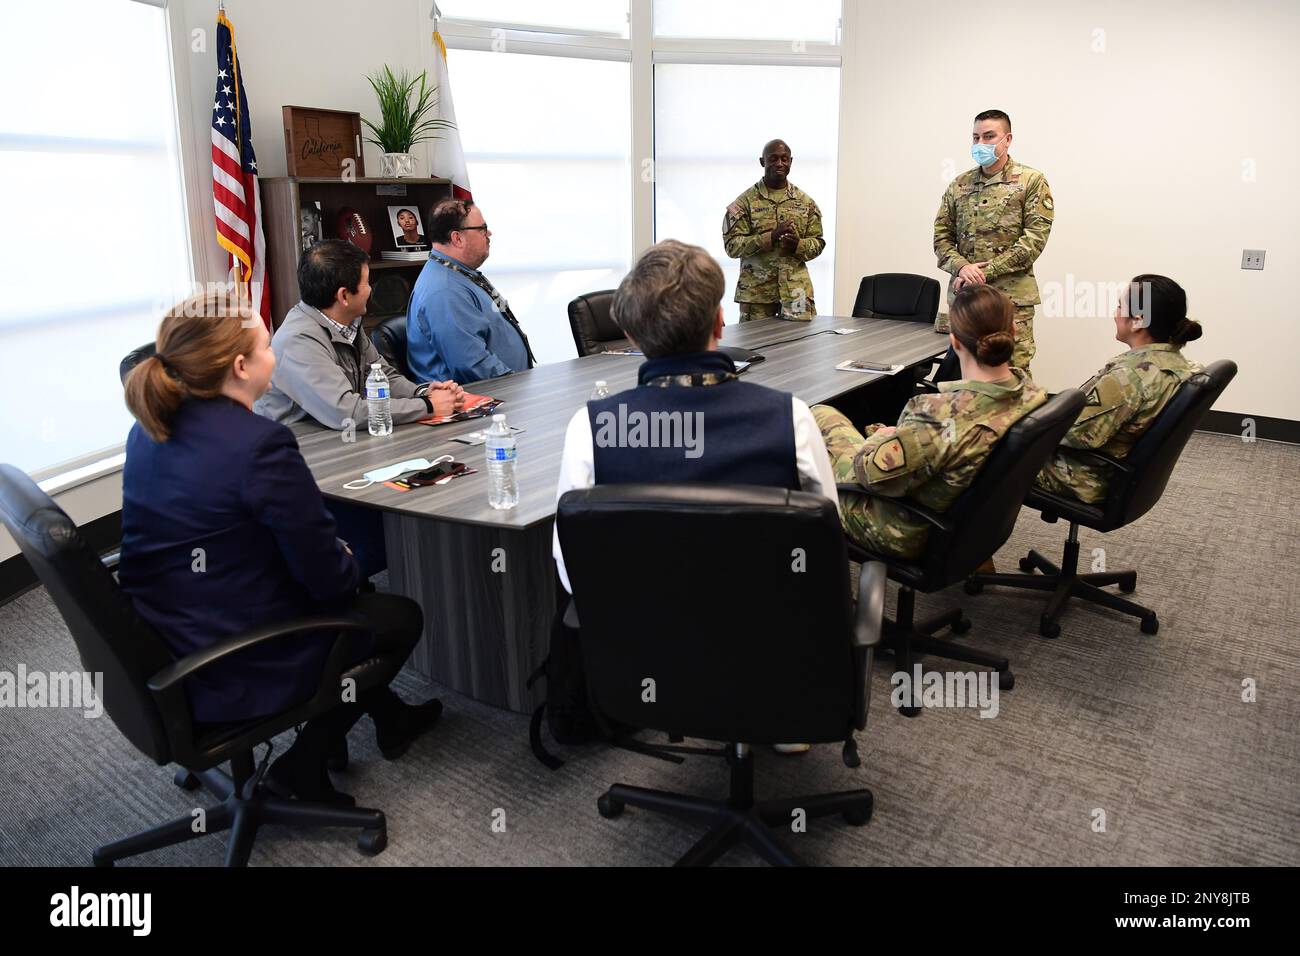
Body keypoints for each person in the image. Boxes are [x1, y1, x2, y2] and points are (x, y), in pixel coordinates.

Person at [119, 291, 443, 805]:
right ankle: (301, 769)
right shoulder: (258, 444)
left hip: (164, 634)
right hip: (231, 658)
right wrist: (345, 555)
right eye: (268, 346)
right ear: (242, 366)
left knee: (346, 583)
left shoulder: (150, 427)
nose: (277, 355)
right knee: (395, 616)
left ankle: (390, 716)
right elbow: (329, 582)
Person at [553, 240, 837, 754]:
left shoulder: (590, 430)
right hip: (774, 652)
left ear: (634, 339)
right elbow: (827, 552)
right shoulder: (790, 420)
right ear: (720, 321)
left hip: (650, 653)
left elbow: (574, 571)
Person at [255, 239, 464, 578]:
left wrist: (425, 390)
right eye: (366, 282)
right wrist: (426, 406)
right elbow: (346, 411)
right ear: (343, 295)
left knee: (422, 500)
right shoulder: (298, 340)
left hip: (348, 454)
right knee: (387, 536)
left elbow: (383, 375)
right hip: (307, 479)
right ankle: (341, 592)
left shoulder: (346, 324)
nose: (371, 289)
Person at [813, 285, 1047, 560]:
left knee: (816, 416)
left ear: (955, 341)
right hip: (964, 524)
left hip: (900, 527)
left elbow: (870, 475)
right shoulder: (1032, 394)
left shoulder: (936, 415)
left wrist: (881, 436)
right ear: (1015, 332)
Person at [1035, 275, 1203, 503]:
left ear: (1138, 320)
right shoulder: (1181, 365)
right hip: (1116, 470)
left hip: (1084, 476)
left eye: (1119, 306)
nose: (1115, 314)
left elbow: (1076, 435)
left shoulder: (1128, 377)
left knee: (989, 452)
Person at [934, 109, 1054, 372]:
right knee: (962, 373)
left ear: (1007, 139)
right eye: (975, 137)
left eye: (989, 136)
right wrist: (962, 268)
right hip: (964, 299)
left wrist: (985, 272)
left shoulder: (1031, 181)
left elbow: (1033, 240)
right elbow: (941, 238)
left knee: (1013, 373)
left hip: (1010, 301)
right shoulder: (959, 184)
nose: (980, 144)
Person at [406, 198, 536, 384]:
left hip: (506, 391)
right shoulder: (445, 291)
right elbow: (472, 364)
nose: (489, 233)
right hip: (482, 401)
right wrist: (521, 387)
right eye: (482, 228)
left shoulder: (459, 273)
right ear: (457, 238)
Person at [722, 138, 826, 322]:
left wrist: (799, 245)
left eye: (785, 159)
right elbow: (732, 246)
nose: (779, 163)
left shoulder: (806, 203)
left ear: (791, 162)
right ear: (762, 161)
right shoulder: (744, 203)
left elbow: (817, 242)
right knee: (756, 348)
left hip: (796, 292)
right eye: (773, 159)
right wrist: (770, 237)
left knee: (799, 347)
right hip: (757, 295)